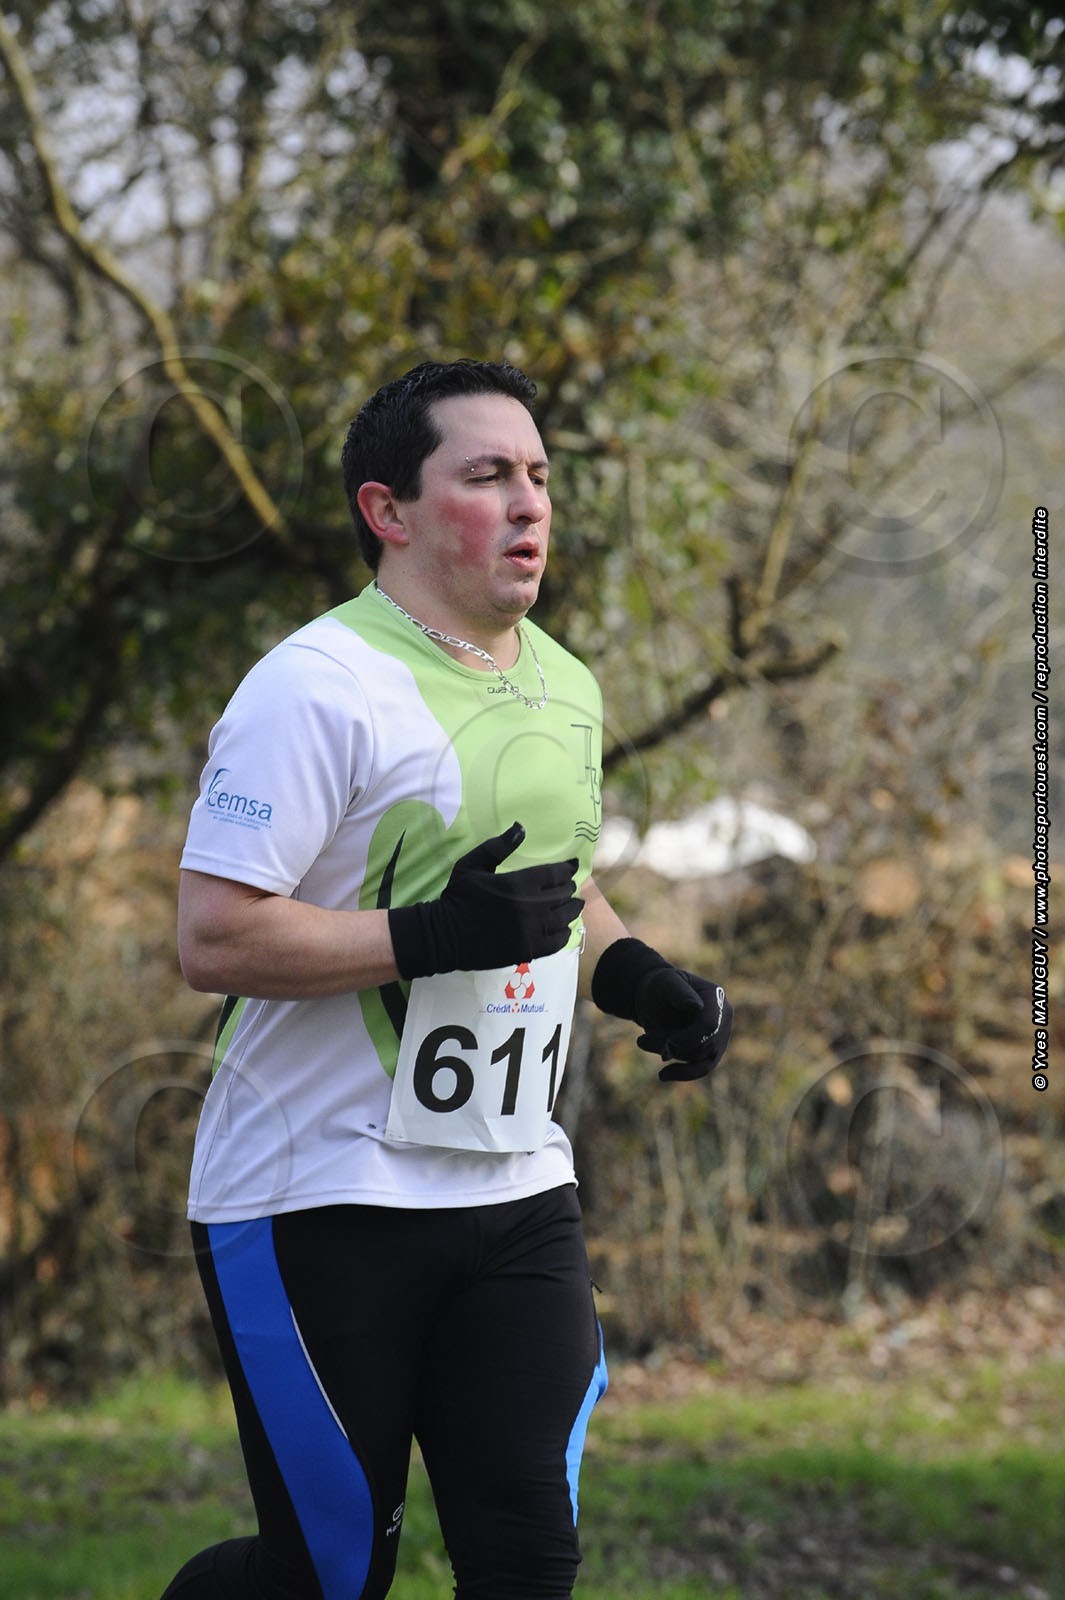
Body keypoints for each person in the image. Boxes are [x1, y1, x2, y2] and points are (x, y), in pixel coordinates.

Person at [163, 358, 733, 1600]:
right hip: (316, 1189)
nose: (529, 503)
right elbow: (214, 938)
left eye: (538, 475)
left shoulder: (565, 683)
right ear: (390, 511)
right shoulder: (314, 686)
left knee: (529, 1562)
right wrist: (430, 935)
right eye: (486, 475)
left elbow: (555, 889)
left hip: (514, 1187)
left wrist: (638, 976)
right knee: (325, 1577)